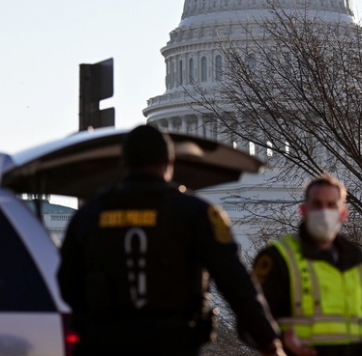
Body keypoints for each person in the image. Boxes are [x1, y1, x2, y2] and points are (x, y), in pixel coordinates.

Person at [57, 125, 286, 356]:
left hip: (104, 342)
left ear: (123, 164)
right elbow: (235, 284)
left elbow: (67, 284)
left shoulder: (89, 214)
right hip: (171, 342)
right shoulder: (195, 213)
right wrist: (267, 340)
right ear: (170, 162)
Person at [252, 174, 362, 356]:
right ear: (303, 210)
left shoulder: (358, 263)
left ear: (343, 214)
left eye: (331, 205)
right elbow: (251, 318)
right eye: (317, 204)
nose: (324, 212)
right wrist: (281, 341)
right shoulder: (277, 258)